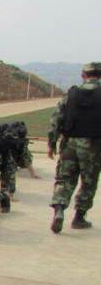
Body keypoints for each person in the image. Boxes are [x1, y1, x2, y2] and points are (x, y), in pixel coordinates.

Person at [49, 62, 101, 233]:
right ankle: (79, 218)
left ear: (83, 75)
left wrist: (52, 143)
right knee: (88, 182)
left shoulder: (71, 93)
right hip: (93, 146)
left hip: (69, 144)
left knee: (64, 179)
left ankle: (59, 209)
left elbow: (56, 119)